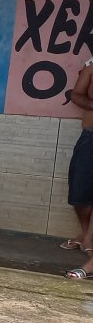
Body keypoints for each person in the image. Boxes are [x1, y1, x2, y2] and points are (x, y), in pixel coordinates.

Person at [63, 58, 93, 279]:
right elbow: (76, 94)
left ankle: (89, 239)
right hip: (90, 134)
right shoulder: (91, 65)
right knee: (79, 191)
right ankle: (85, 234)